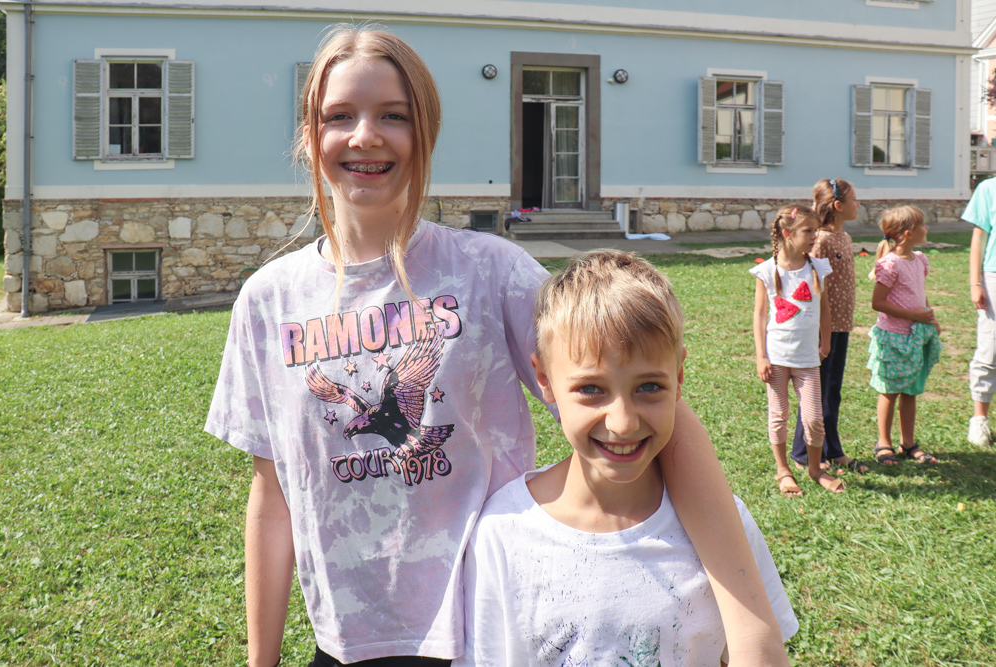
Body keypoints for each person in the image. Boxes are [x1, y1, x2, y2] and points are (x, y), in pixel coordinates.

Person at [205, 26, 789, 667]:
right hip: (346, 645)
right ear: (310, 134)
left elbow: (636, 389)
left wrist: (749, 623)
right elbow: (272, 497)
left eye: (394, 116)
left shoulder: (490, 272)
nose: (365, 135)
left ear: (425, 131)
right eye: (339, 115)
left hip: (491, 628)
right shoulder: (268, 302)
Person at [455, 250, 799, 667]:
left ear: (679, 376)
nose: (622, 423)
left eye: (649, 387)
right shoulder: (502, 534)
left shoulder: (727, 525)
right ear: (543, 378)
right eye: (591, 389)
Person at [752, 205, 842, 496]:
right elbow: (760, 315)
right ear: (787, 233)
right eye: (809, 231)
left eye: (816, 230)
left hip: (807, 360)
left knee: (814, 418)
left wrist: (826, 342)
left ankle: (815, 469)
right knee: (778, 416)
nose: (815, 236)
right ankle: (783, 470)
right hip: (776, 359)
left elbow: (825, 308)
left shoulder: (818, 267)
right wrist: (761, 356)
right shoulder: (767, 271)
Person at [790, 179, 869, 473]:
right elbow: (808, 284)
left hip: (841, 326)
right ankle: (803, 453)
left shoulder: (844, 237)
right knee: (816, 390)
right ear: (838, 206)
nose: (858, 204)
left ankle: (832, 450)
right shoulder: (820, 240)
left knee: (832, 389)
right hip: (822, 329)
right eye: (854, 199)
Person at [867, 206, 941, 466]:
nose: (927, 228)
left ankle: (907, 442)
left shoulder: (919, 259)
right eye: (923, 225)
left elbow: (920, 293)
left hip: (916, 335)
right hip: (893, 338)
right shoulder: (890, 264)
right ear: (909, 233)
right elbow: (878, 302)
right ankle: (884, 443)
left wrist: (930, 318)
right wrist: (914, 315)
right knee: (890, 391)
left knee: (910, 390)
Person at [962, 177, 996, 447]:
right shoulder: (989, 189)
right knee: (990, 348)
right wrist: (976, 283)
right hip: (994, 277)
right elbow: (979, 238)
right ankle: (980, 419)